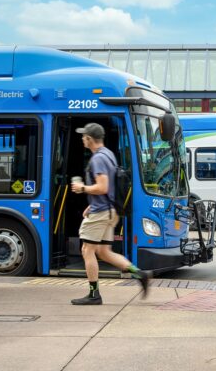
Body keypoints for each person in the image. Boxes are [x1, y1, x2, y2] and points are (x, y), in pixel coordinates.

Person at [70, 122, 151, 305]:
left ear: (90, 139)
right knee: (104, 252)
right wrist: (92, 204)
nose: (82, 139)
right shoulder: (109, 154)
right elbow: (110, 188)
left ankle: (94, 295)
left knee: (87, 250)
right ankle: (140, 274)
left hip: (101, 212)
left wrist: (82, 188)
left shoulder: (98, 159)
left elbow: (103, 186)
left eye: (84, 136)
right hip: (109, 210)